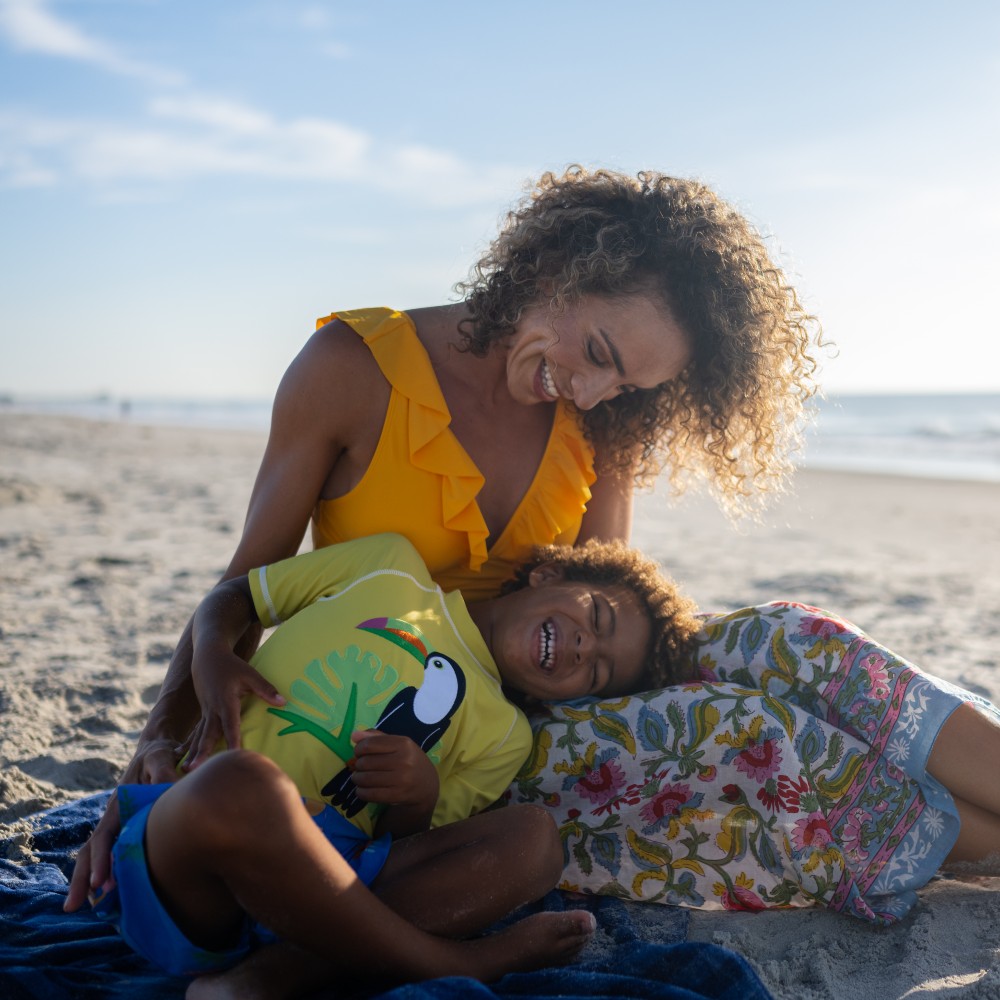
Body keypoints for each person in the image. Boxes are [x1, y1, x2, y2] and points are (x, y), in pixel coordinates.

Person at [72, 165, 821, 893]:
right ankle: (935, 839)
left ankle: (941, 808)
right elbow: (246, 583)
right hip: (396, 737)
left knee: (794, 640)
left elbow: (604, 614)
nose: (594, 394)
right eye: (598, 353)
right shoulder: (349, 369)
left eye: (625, 384)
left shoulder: (602, 426)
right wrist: (156, 749)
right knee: (750, 734)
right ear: (552, 268)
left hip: (511, 737)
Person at [66, 533, 701, 995]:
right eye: (596, 614)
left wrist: (415, 798)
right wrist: (210, 652)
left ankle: (269, 978)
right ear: (550, 572)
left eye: (597, 671)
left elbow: (409, 854)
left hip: (328, 885)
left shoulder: (506, 735)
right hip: (202, 857)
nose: (584, 645)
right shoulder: (389, 565)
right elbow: (237, 596)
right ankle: (456, 964)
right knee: (243, 783)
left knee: (534, 842)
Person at [509, 599, 1000, 925]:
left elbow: (602, 580)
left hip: (591, 663)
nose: (583, 645)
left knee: (781, 635)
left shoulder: (563, 595)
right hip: (515, 734)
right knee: (748, 725)